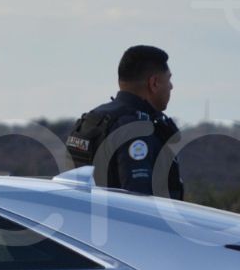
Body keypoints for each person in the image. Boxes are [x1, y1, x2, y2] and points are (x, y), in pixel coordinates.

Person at [65, 45, 184, 199]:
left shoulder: (92, 119)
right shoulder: (136, 130)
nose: (171, 86)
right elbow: (138, 202)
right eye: (169, 79)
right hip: (119, 222)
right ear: (154, 83)